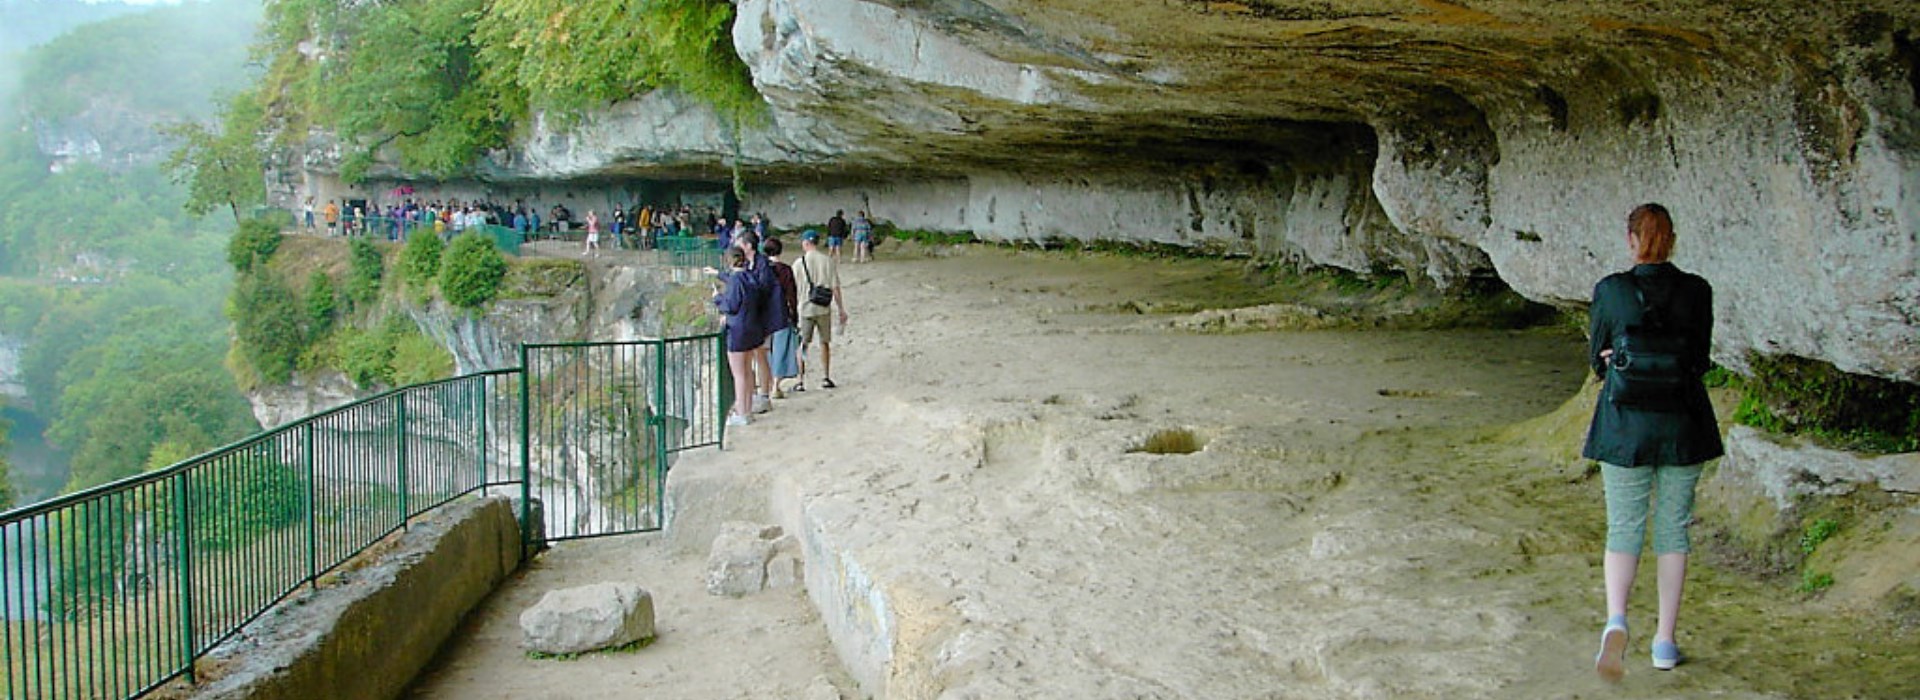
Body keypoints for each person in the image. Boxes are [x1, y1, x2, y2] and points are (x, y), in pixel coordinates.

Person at [1583, 202, 1723, 682]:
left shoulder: (1611, 291)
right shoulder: (1697, 291)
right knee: (1673, 532)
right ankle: (1665, 640)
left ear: (1631, 240)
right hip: (1684, 425)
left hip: (1624, 426)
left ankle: (1617, 620)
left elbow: (1597, 362)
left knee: (1623, 528)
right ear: (1672, 240)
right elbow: (1701, 359)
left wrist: (1616, 359)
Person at [710, 247, 762, 426]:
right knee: (747, 371)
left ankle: (742, 412)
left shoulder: (735, 280)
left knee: (739, 374)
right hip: (752, 327)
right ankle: (747, 409)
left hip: (738, 329)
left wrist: (717, 298)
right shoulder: (750, 276)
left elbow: (730, 306)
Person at [793, 229, 848, 390]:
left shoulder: (798, 263)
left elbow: (793, 289)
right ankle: (825, 376)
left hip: (804, 308)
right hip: (823, 308)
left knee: (803, 345)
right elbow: (835, 287)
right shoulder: (828, 261)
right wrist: (841, 309)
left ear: (805, 243)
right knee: (824, 343)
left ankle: (800, 379)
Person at [763, 237, 801, 398]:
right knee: (780, 349)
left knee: (766, 350)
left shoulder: (762, 269)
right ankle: (776, 385)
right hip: (781, 313)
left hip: (765, 314)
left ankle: (767, 384)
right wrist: (794, 315)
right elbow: (792, 295)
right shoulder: (785, 270)